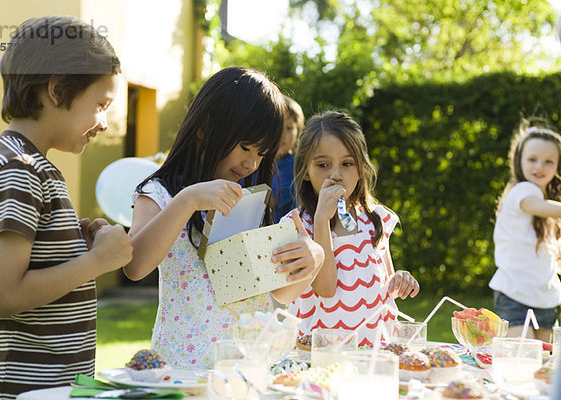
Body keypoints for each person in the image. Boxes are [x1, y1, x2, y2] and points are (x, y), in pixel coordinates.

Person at [0, 16, 133, 399]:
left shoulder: (30, 167)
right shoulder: (18, 172)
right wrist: (97, 263)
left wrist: (79, 249)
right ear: (57, 90)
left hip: (46, 387)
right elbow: (4, 295)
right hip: (22, 391)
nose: (104, 123)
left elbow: (34, 270)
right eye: (101, 104)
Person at [123, 66, 325, 369]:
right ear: (205, 127)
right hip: (184, 372)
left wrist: (313, 259)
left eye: (261, 153)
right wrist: (188, 200)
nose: (251, 163)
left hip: (250, 369)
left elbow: (279, 292)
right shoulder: (161, 194)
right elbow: (135, 265)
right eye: (245, 147)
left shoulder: (249, 200)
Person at [282, 110, 420, 347]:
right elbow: (326, 289)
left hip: (375, 353)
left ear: (362, 168)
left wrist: (400, 279)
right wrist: (322, 220)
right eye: (323, 165)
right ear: (305, 171)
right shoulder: (296, 226)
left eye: (347, 164)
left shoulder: (375, 219)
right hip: (322, 359)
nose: (335, 175)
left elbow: (384, 283)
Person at [488, 118, 561, 341]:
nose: (539, 167)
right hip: (515, 294)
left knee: (541, 364)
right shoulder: (522, 191)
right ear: (519, 160)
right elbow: (535, 206)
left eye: (549, 161)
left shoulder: (550, 204)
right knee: (522, 355)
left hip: (544, 297)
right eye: (532, 159)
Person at [272, 95, 305, 223]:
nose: (281, 134)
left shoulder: (295, 166)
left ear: (298, 132)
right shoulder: (255, 163)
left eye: (289, 128)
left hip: (284, 233)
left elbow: (270, 200)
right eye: (276, 126)